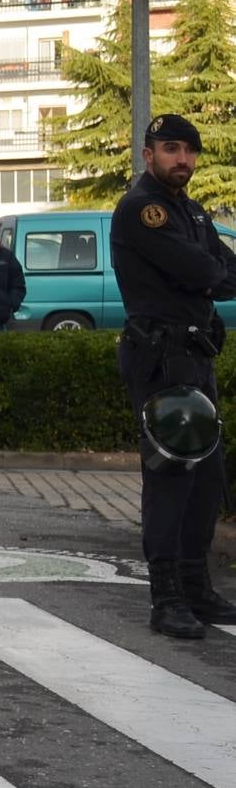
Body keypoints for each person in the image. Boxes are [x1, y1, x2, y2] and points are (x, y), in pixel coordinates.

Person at [111, 114, 236, 637]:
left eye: (188, 151)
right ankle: (166, 598)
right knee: (170, 478)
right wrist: (210, 276)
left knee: (207, 480)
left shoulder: (190, 209)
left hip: (195, 354)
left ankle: (195, 585)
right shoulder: (145, 209)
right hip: (162, 359)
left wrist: (212, 276)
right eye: (170, 149)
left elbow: (223, 268)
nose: (181, 159)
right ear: (148, 154)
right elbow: (205, 271)